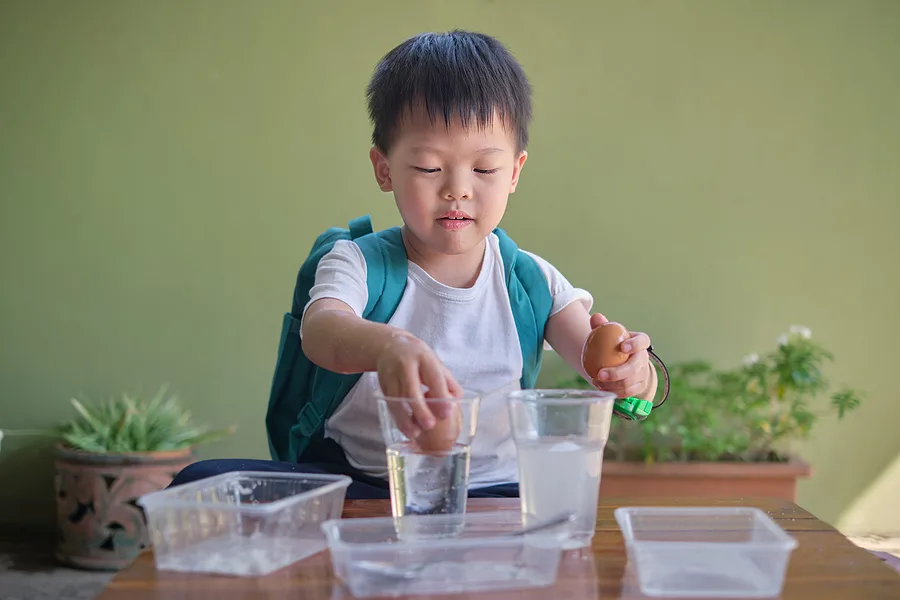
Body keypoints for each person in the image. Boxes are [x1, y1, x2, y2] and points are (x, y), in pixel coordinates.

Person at [169, 29, 657, 498]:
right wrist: (390, 346)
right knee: (201, 479)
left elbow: (599, 364)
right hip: (364, 483)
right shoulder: (357, 262)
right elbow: (321, 331)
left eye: (484, 169)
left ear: (514, 173)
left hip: (495, 491)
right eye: (429, 167)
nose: (458, 189)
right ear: (384, 169)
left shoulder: (531, 281)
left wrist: (635, 375)